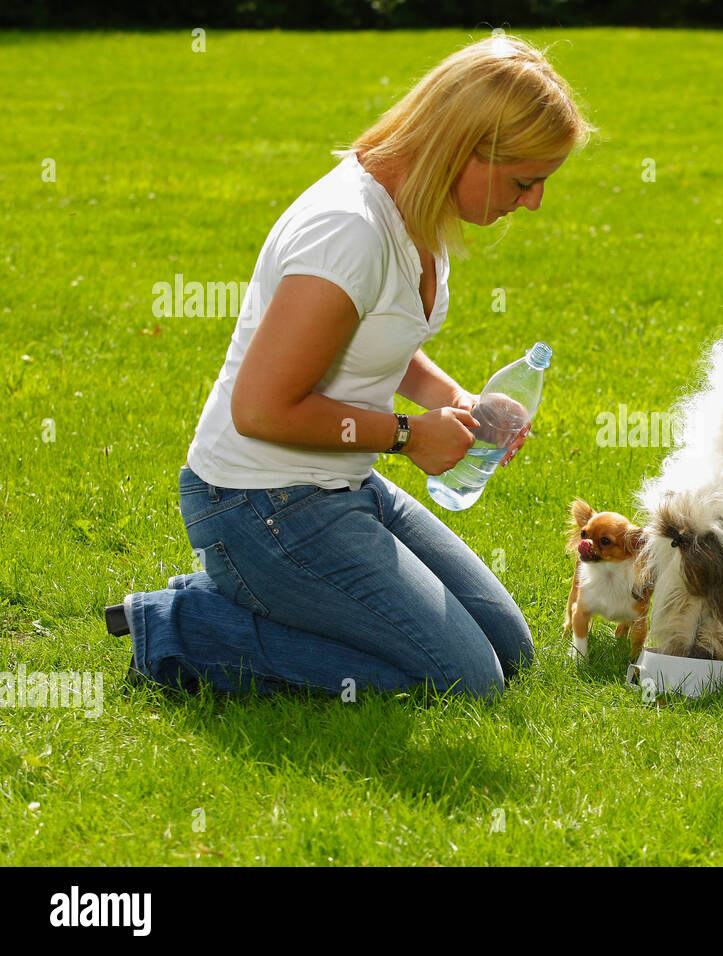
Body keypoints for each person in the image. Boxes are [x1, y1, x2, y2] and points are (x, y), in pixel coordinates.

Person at [107, 35, 595, 700]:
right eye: (523, 180)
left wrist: (458, 400)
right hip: (258, 506)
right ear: (464, 148)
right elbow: (263, 409)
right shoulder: (349, 232)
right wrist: (407, 436)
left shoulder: (415, 207)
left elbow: (374, 339)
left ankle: (273, 603)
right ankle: (183, 625)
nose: (533, 201)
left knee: (508, 650)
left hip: (342, 487)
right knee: (468, 682)